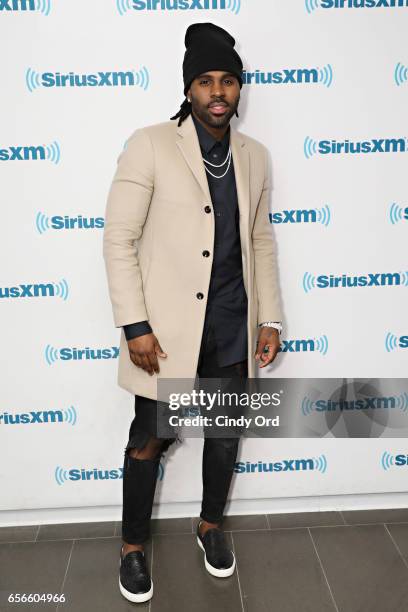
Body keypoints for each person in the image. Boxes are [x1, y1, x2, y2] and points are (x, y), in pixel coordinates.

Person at [103, 21, 283, 604]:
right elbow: (117, 239)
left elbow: (260, 240)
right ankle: (132, 548)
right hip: (168, 336)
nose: (217, 92)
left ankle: (210, 526)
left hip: (232, 324)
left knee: (226, 436)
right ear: (188, 89)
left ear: (239, 89)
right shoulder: (150, 143)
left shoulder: (254, 156)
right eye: (205, 80)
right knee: (149, 440)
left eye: (228, 80)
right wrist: (135, 325)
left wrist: (270, 318)